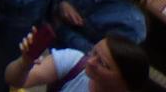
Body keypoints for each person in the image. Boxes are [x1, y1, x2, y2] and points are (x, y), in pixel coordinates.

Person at [9, 35, 151, 92]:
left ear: (124, 83)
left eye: (102, 63)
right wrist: (25, 63)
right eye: (94, 52)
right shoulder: (75, 62)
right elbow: (15, 80)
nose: (90, 61)